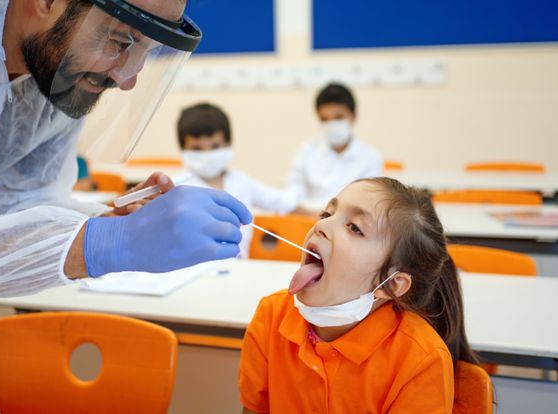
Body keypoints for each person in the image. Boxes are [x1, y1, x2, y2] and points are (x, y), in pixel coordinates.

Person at [0, 0, 251, 409]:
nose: (129, 77)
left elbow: (14, 200)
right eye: (121, 40)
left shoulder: (54, 67)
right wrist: (104, 242)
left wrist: (106, 220)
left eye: (145, 51)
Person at [239, 177, 479, 413]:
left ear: (392, 285)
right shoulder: (271, 314)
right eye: (326, 214)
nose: (321, 226)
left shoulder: (421, 360)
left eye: (354, 228)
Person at [177, 103, 304, 257]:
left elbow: (283, 202)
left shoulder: (241, 181)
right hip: (190, 273)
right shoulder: (177, 188)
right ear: (183, 149)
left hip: (238, 269)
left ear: (229, 143)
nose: (207, 155)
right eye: (197, 149)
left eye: (215, 146)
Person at [286, 82, 383, 204]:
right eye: (324, 119)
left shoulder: (371, 157)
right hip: (308, 220)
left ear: (354, 116)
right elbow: (294, 192)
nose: (331, 125)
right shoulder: (306, 150)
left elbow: (367, 204)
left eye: (338, 117)